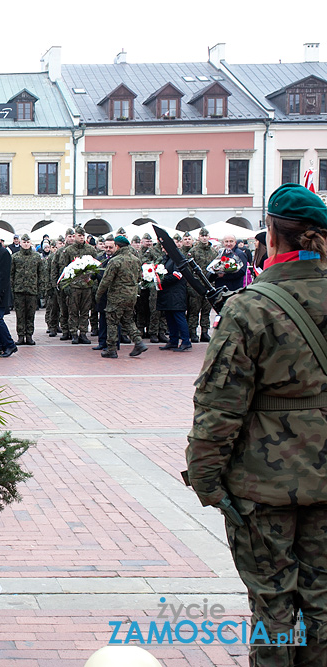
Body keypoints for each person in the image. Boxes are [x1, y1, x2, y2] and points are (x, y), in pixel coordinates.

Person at [186, 184, 327, 666]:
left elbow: (219, 407)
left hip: (265, 485)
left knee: (273, 604)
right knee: (323, 600)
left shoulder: (251, 307)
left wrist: (204, 479)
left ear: (271, 234)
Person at [95, 235, 148, 358]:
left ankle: (111, 349)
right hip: (131, 295)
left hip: (117, 296)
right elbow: (140, 277)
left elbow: (106, 281)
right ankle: (139, 342)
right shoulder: (136, 260)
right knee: (128, 320)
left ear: (117, 246)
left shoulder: (115, 261)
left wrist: (98, 295)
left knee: (112, 321)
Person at [57, 225, 97, 344]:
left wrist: (93, 283)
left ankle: (83, 333)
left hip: (86, 286)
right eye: (79, 236)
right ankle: (73, 332)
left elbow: (96, 268)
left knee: (85, 311)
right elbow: (63, 269)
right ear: (74, 236)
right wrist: (65, 285)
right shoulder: (68, 250)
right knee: (73, 311)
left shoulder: (90, 250)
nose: (81, 238)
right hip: (74, 286)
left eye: (83, 236)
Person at [10, 234, 43, 346]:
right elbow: (11, 274)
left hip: (32, 290)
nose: (26, 244)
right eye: (24, 242)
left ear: (30, 243)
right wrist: (11, 289)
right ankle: (20, 336)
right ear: (20, 243)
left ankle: (29, 336)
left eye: (28, 242)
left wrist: (40, 289)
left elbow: (41, 273)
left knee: (30, 315)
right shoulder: (15, 257)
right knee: (20, 315)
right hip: (18, 290)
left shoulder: (37, 257)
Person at [157, 246, 191, 352]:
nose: (163, 250)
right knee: (170, 318)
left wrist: (160, 279)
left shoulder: (178, 258)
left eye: (164, 248)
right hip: (168, 294)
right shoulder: (167, 258)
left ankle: (186, 342)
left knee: (179, 318)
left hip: (176, 293)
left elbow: (177, 276)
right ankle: (173, 341)